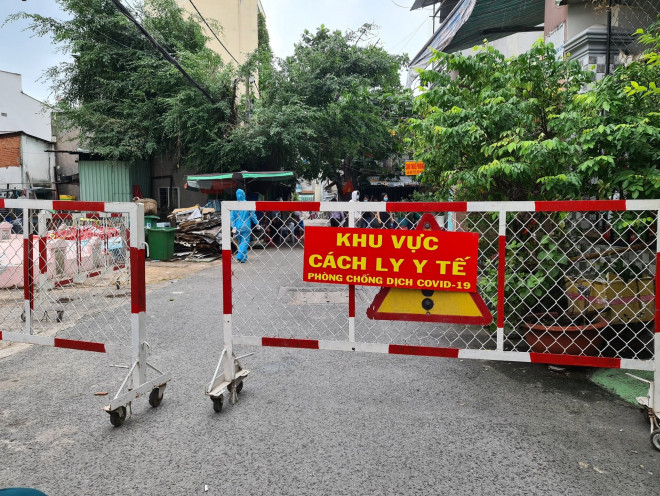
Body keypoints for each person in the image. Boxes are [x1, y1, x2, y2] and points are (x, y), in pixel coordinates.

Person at [230, 188, 259, 262]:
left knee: (240, 242)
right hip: (246, 226)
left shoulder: (234, 206)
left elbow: (232, 218)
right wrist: (257, 223)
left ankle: (244, 258)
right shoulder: (247, 204)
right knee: (245, 241)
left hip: (237, 227)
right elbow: (252, 215)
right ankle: (240, 255)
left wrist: (233, 226)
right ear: (244, 195)